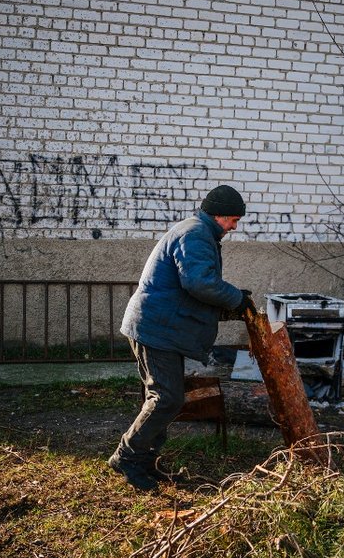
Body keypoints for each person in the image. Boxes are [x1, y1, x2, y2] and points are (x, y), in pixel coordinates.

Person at [108, 185, 254, 492]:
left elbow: (194, 287)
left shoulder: (199, 231)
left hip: (159, 327)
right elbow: (199, 283)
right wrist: (235, 299)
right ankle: (127, 457)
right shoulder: (197, 234)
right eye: (233, 219)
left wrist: (233, 302)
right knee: (167, 398)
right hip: (155, 329)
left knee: (164, 399)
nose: (234, 226)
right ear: (219, 214)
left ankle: (146, 461)